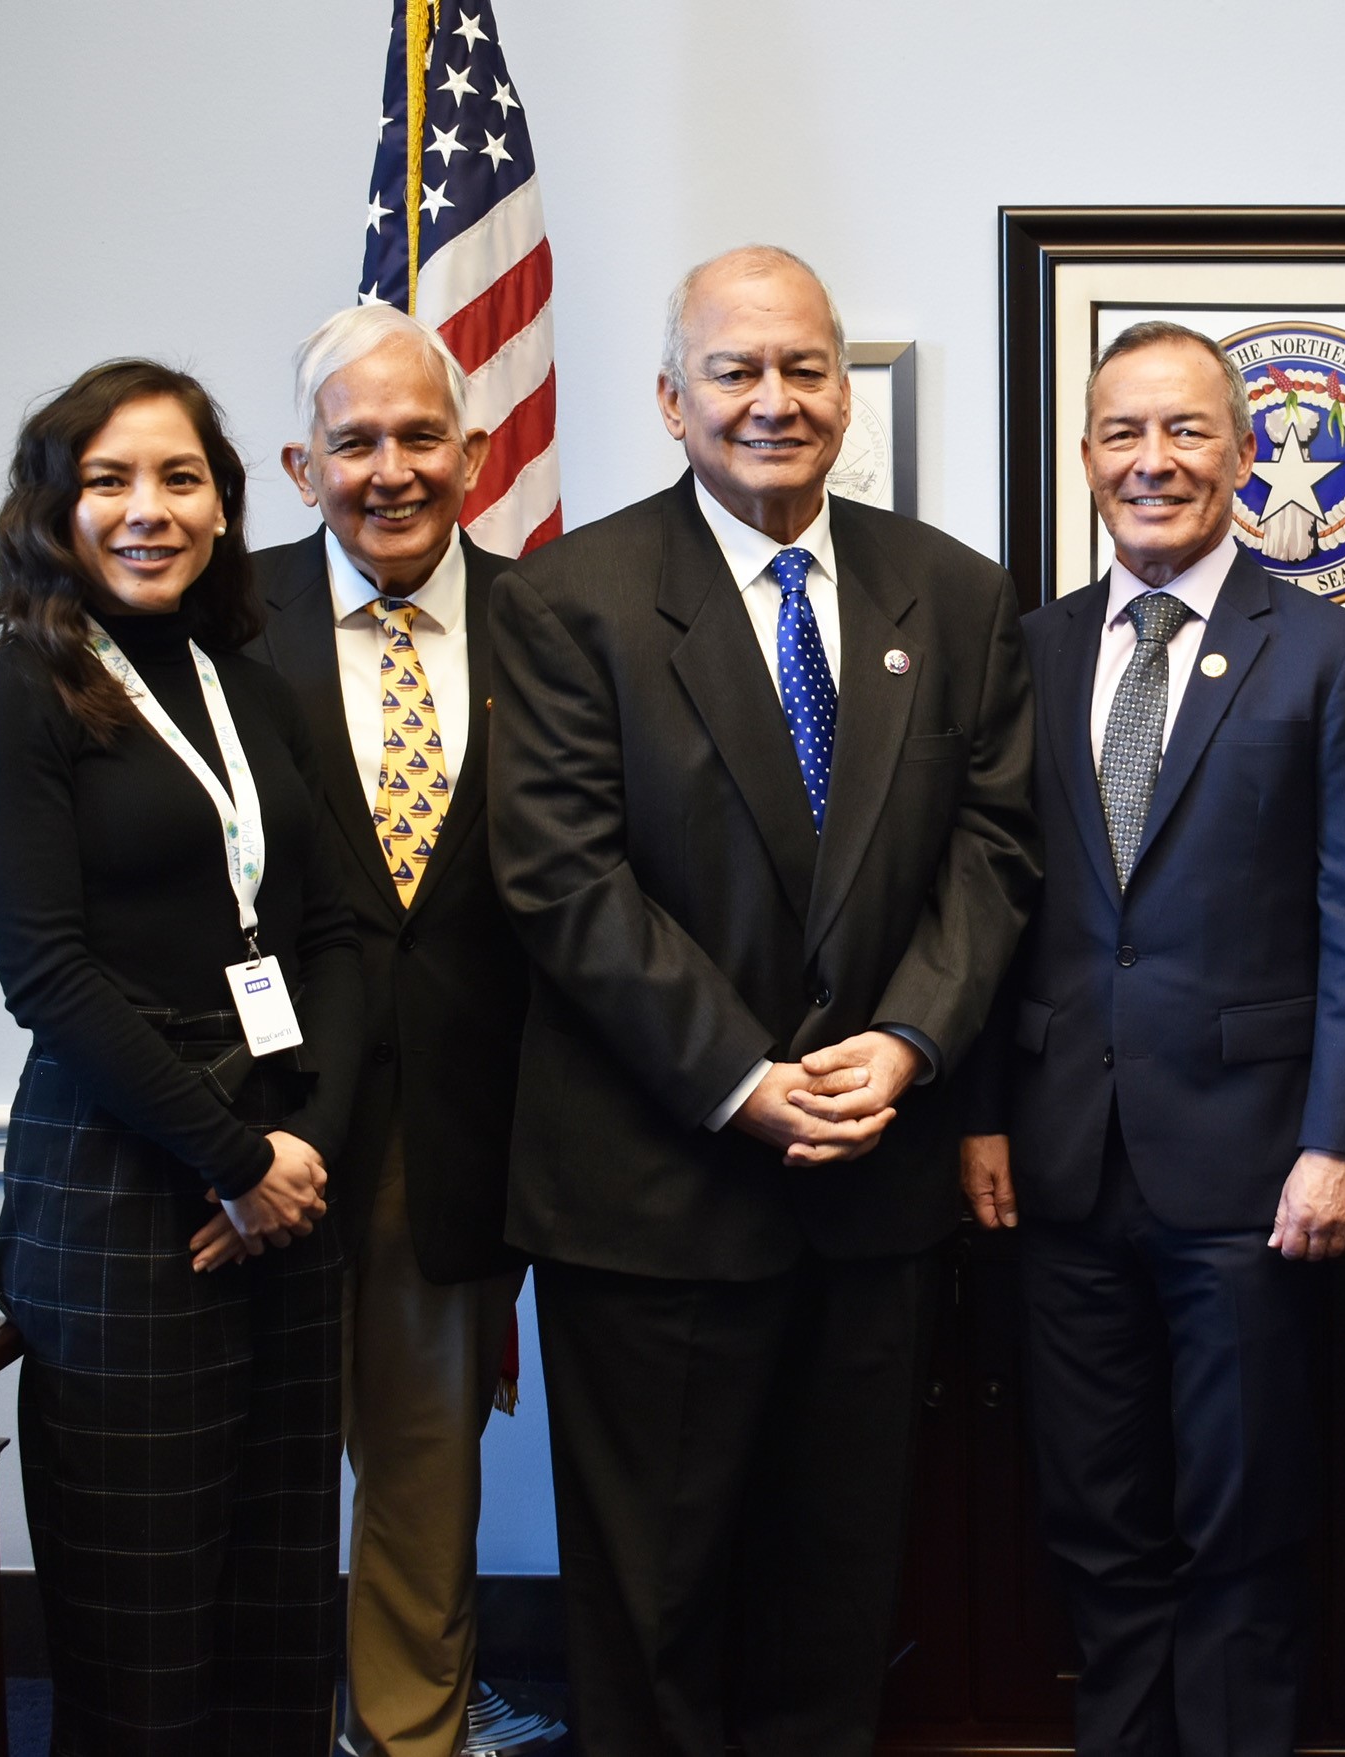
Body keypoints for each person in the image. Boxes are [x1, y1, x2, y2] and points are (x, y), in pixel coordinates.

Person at [486, 245, 1038, 1756]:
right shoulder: (566, 600)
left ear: (842, 393)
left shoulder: (956, 593)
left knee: (839, 1586)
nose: (773, 400)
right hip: (656, 1192)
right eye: (735, 370)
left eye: (804, 368)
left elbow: (993, 850)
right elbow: (561, 878)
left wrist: (908, 1040)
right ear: (671, 398)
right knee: (651, 1600)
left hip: (876, 1184)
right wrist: (742, 1072)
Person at [958, 321, 1345, 1755]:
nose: (1151, 462)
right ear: (1085, 456)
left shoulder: (1335, 654)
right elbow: (979, 898)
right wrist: (978, 1112)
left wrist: (1341, 1141)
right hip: (1055, 1166)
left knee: (1242, 1519)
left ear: (1237, 451)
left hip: (1255, 1173)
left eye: (1183, 433)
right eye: (1121, 434)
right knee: (1093, 1517)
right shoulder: (1021, 649)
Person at [0, 359, 361, 1752]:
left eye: (181, 477)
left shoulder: (254, 687)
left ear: (227, 506)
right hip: (124, 1180)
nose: (148, 509)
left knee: (278, 1596)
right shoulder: (18, 693)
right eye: (109, 479)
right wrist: (231, 1159)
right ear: (54, 505)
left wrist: (300, 1154)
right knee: (145, 1618)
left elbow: (347, 932)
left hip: (287, 1175)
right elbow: (47, 974)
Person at [248, 304, 561, 1757]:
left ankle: (409, 1735)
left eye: (419, 436)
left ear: (476, 452)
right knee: (245, 1477)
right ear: (301, 467)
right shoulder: (217, 624)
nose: (390, 467)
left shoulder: (552, 628)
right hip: (252, 1133)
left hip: (457, 1134)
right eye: (354, 440)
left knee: (429, 1482)